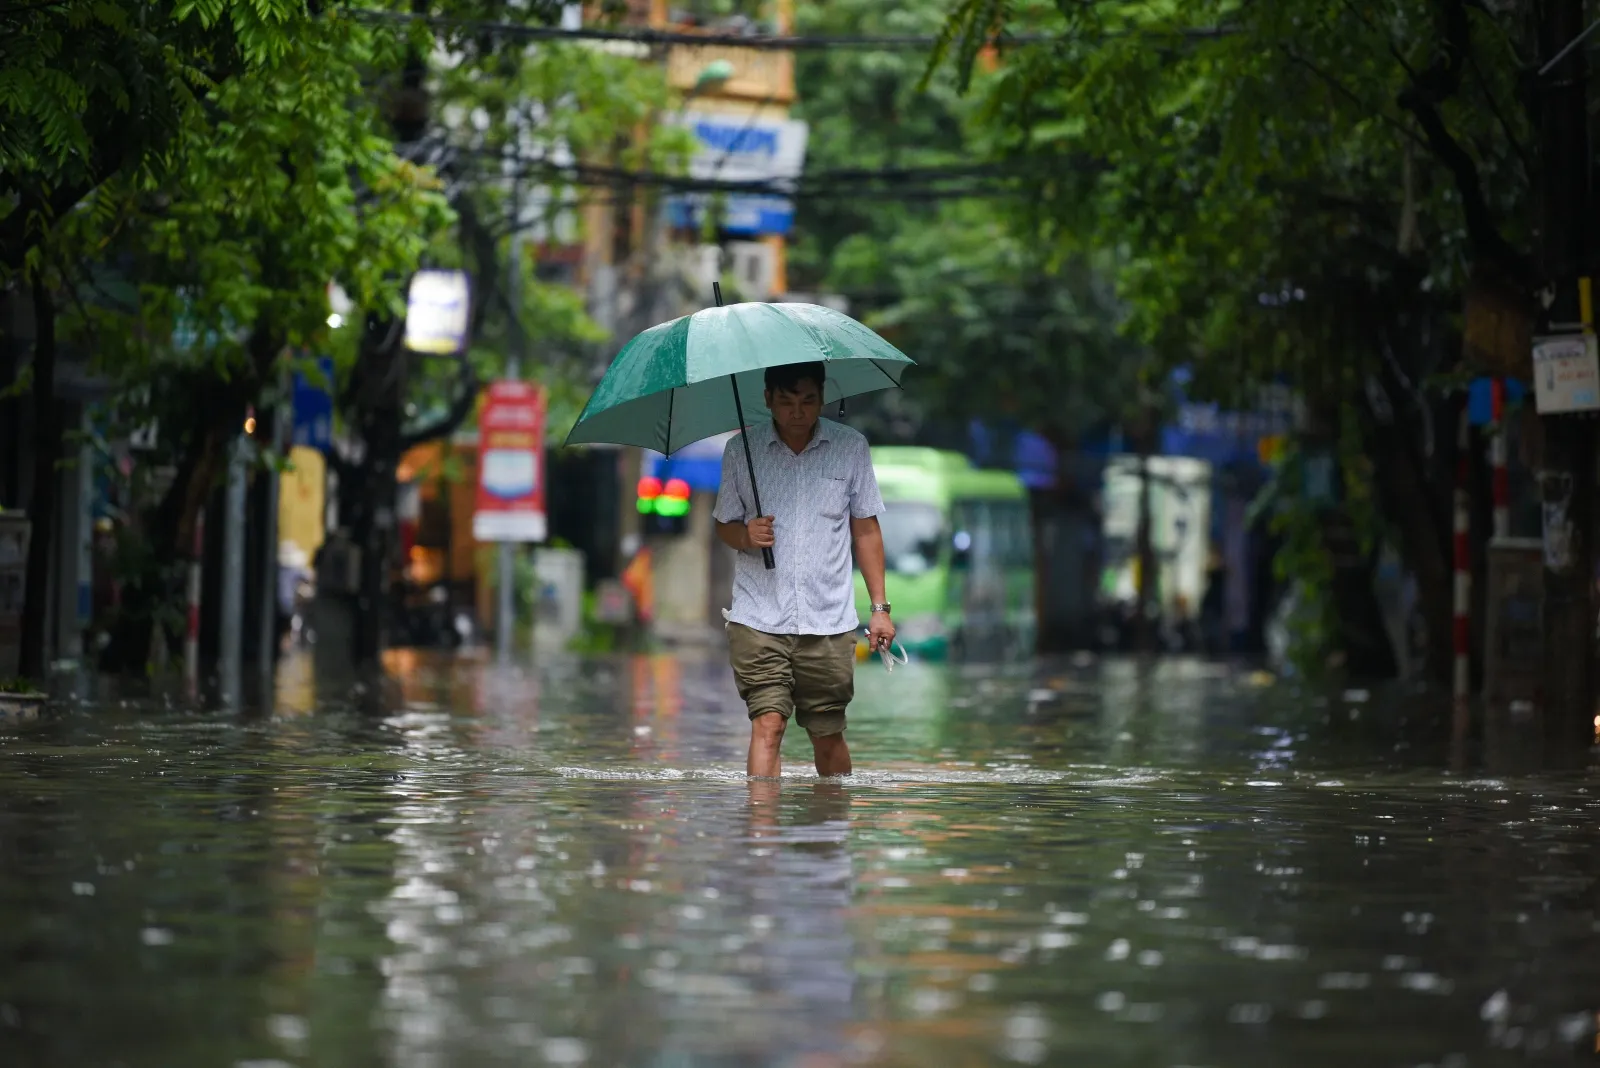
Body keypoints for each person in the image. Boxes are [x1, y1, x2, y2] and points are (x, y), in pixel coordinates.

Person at [713, 362, 895, 780]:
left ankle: (830, 834)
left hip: (829, 621)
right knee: (768, 724)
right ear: (768, 400)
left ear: (822, 398)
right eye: (786, 401)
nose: (798, 411)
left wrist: (880, 608)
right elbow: (724, 524)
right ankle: (761, 838)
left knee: (827, 733)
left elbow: (865, 529)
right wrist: (746, 535)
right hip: (758, 617)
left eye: (808, 400)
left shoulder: (851, 448)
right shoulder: (741, 451)